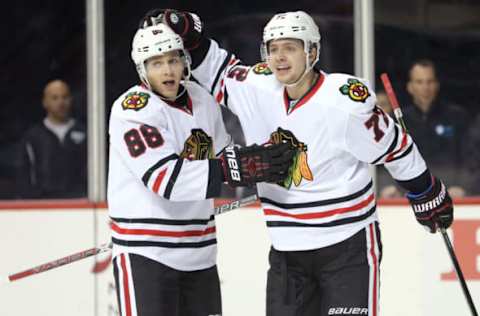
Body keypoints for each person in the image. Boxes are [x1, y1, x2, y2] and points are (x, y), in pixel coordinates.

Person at [143, 10, 455, 315]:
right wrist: (186, 32)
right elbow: (215, 68)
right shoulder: (256, 86)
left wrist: (426, 191)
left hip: (347, 246)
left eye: (290, 48)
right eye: (273, 49)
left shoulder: (344, 101)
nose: (279, 57)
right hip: (287, 250)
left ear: (313, 51)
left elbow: (394, 147)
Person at [108, 23, 294, 316]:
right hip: (148, 254)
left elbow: (225, 154)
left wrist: (267, 165)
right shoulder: (133, 110)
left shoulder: (202, 98)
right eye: (156, 63)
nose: (167, 70)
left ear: (185, 61)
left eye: (173, 59)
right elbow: (167, 180)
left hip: (200, 252)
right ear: (142, 69)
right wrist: (239, 167)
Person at [380, 60, 470, 198]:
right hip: (406, 199)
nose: (425, 87)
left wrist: (463, 186)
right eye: (419, 82)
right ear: (410, 87)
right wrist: (386, 186)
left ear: (437, 85)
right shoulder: (396, 120)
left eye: (430, 81)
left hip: (450, 196)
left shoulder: (457, 117)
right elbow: (384, 157)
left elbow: (470, 157)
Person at [17, 79, 87, 198]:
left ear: (71, 100)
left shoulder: (85, 132)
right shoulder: (33, 136)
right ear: (45, 102)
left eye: (65, 97)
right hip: (43, 203)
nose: (61, 102)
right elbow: (25, 174)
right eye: (55, 98)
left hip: (79, 201)